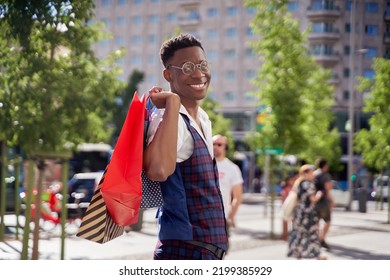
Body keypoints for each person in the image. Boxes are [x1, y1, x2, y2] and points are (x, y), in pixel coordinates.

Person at [143, 33, 227, 260]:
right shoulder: (169, 117)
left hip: (206, 250)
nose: (199, 73)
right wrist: (172, 102)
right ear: (168, 74)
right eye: (188, 67)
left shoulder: (203, 117)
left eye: (202, 64)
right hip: (183, 252)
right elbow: (158, 170)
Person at [287, 164, 326, 260]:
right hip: (308, 214)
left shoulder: (299, 183)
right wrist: (319, 194)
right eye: (312, 172)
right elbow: (313, 199)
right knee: (312, 233)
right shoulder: (309, 184)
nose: (313, 174)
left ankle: (297, 253)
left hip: (299, 213)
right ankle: (315, 254)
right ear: (306, 173)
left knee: (299, 233)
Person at [212, 134, 243, 252]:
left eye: (219, 144)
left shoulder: (232, 168)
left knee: (220, 252)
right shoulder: (205, 165)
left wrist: (230, 218)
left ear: (225, 147)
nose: (215, 147)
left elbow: (238, 197)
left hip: (222, 217)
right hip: (202, 216)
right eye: (213, 144)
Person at [313, 158, 334, 250]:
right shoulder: (326, 175)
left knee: (316, 221)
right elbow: (328, 189)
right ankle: (321, 239)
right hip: (324, 202)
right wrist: (332, 201)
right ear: (324, 166)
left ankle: (316, 239)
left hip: (314, 201)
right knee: (328, 221)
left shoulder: (313, 174)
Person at [280, 173, 298, 241]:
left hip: (293, 207)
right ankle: (285, 236)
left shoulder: (293, 187)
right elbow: (283, 197)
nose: (292, 181)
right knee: (285, 221)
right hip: (287, 207)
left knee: (293, 222)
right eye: (291, 180)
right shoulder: (286, 188)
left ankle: (292, 236)